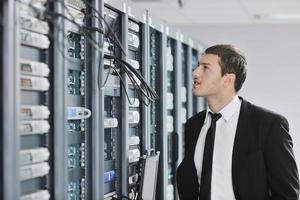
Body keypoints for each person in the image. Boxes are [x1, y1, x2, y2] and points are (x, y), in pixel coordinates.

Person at [176, 44, 299, 200]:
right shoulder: (194, 125)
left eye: (205, 68)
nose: (195, 72)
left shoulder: (269, 125)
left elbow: (287, 195)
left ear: (228, 79)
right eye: (197, 66)